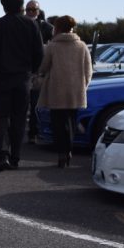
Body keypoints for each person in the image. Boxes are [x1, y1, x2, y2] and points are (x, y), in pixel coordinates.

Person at [0, 0, 45, 172]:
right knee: (18, 118)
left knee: (0, 117)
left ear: (3, 6)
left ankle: (2, 154)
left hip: (1, 78)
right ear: (22, 6)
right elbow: (39, 53)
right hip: (22, 78)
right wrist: (31, 70)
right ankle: (15, 156)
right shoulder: (31, 25)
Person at [36, 15, 92, 167]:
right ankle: (68, 150)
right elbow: (88, 71)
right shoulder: (82, 46)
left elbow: (44, 66)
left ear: (58, 28)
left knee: (58, 124)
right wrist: (83, 86)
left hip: (56, 90)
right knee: (71, 122)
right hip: (75, 92)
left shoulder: (53, 46)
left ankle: (62, 153)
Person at [24, 0, 55, 142]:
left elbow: (52, 48)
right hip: (22, 70)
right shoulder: (20, 24)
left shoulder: (47, 27)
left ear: (38, 11)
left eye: (33, 10)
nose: (30, 12)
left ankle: (33, 132)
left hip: (38, 72)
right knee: (21, 104)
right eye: (28, 9)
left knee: (36, 104)